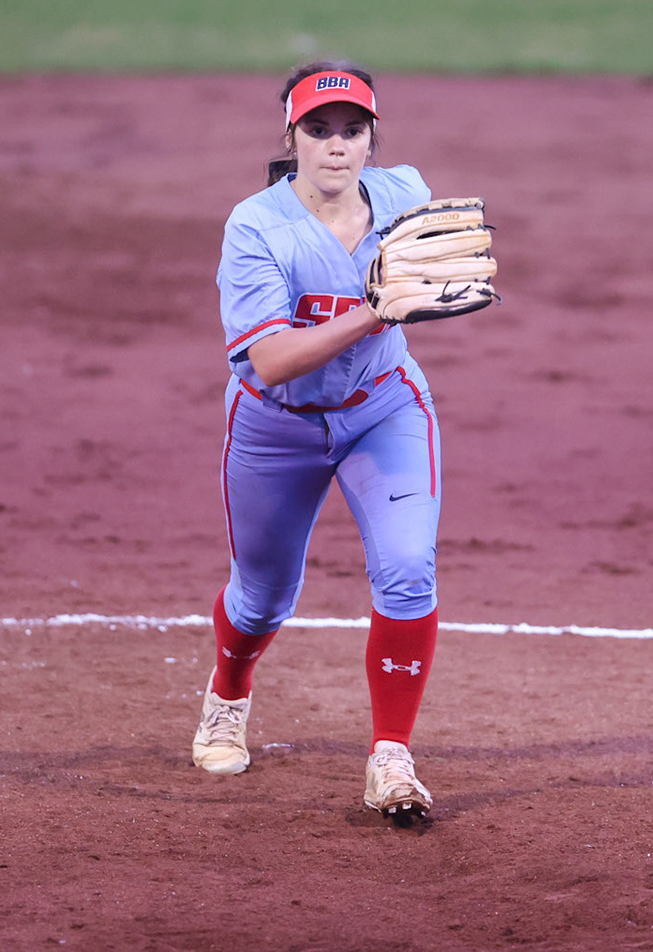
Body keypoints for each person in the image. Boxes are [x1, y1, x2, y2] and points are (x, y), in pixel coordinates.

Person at [196, 61, 466, 823]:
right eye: (319, 130)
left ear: (373, 141)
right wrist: (375, 312)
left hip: (383, 411)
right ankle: (228, 695)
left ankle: (391, 757)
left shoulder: (407, 196)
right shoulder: (256, 227)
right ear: (293, 137)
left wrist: (440, 296)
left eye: (352, 130)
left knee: (410, 570)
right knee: (262, 597)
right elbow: (271, 358)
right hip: (274, 426)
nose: (336, 145)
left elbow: (444, 277)